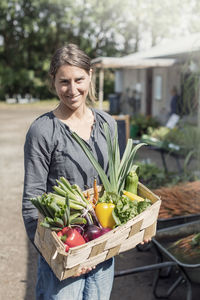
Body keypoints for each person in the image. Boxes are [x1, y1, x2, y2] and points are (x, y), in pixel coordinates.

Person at [22, 43, 116, 300]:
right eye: (64, 81)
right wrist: (58, 254)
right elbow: (33, 202)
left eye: (79, 80)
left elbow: (114, 189)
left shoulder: (108, 124)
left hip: (101, 245)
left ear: (90, 76)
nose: (72, 90)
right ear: (53, 81)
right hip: (64, 249)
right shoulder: (43, 131)